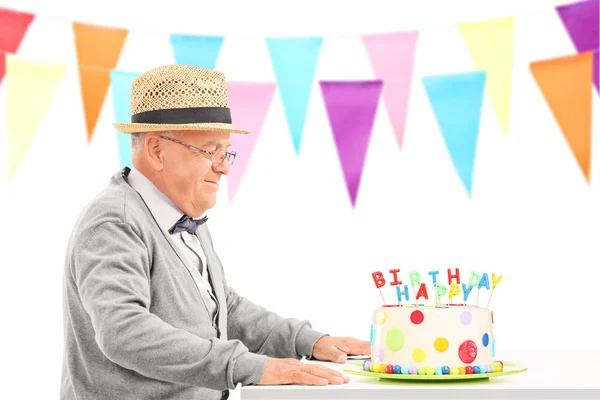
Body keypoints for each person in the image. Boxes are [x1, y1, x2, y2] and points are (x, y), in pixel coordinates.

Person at [60, 64, 369, 400]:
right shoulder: (115, 220)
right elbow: (124, 331)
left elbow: (224, 309)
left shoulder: (181, 215)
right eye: (210, 151)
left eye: (226, 153)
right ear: (156, 150)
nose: (224, 167)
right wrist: (252, 366)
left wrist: (307, 341)